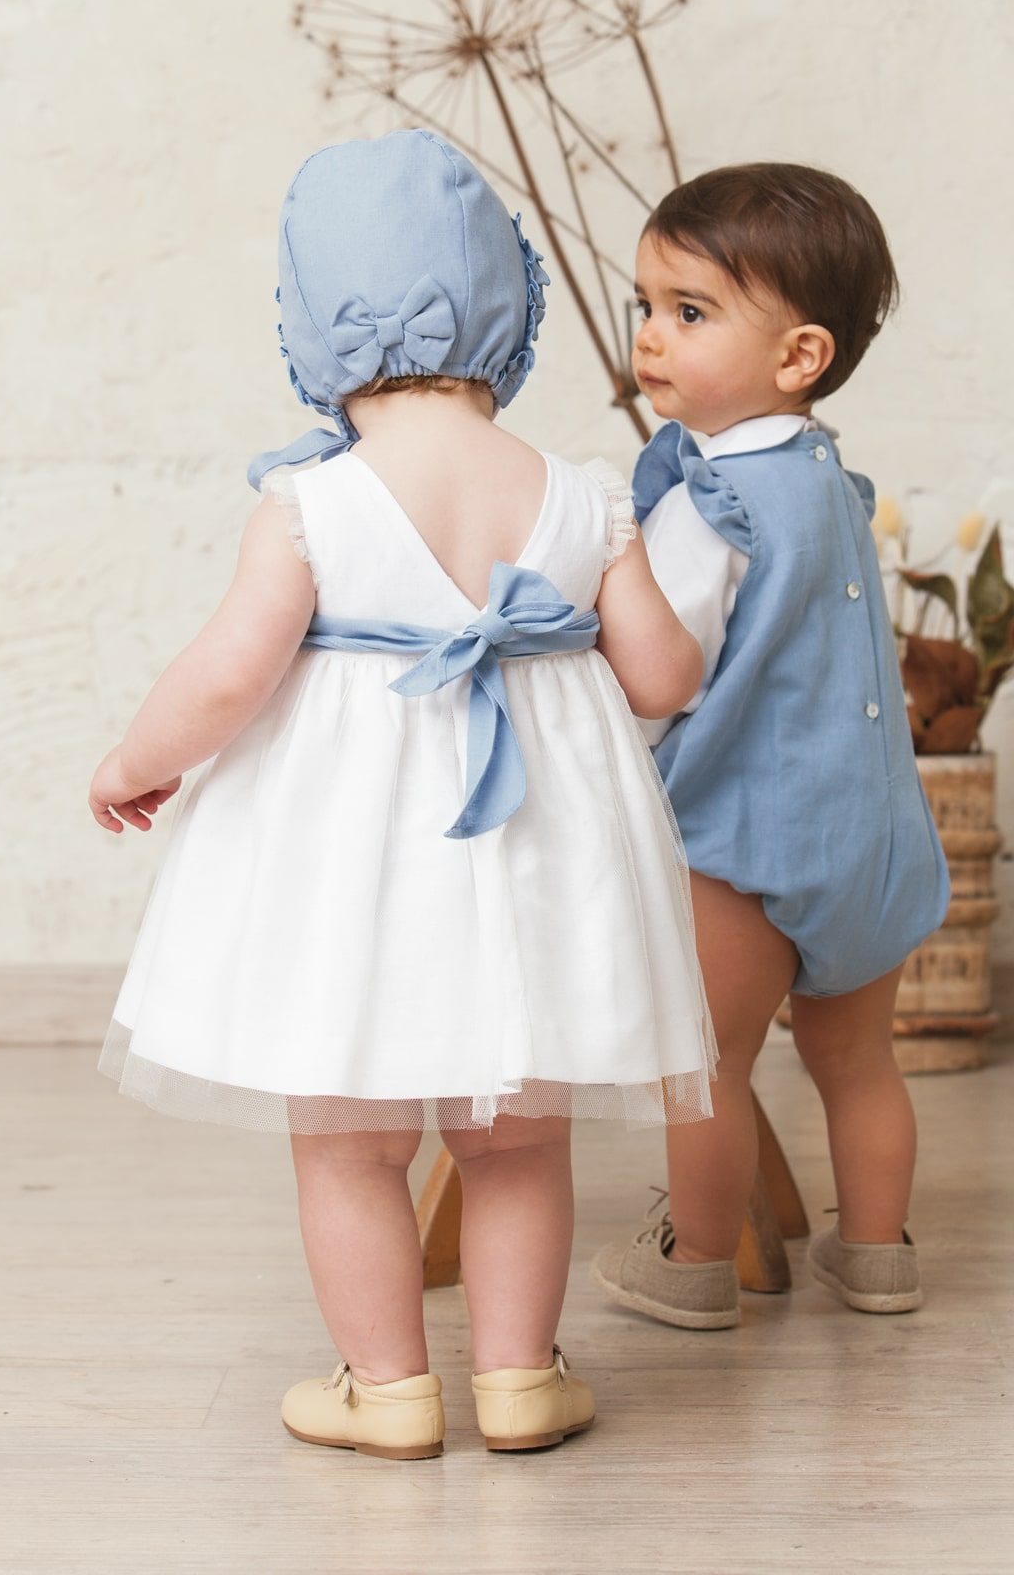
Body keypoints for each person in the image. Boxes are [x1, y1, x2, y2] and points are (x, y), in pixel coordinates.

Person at [88, 130, 716, 1458]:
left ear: (311, 320)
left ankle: (386, 1389)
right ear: (508, 305)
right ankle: (520, 1381)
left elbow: (224, 678)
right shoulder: (583, 494)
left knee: (350, 1146)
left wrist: (134, 761)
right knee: (516, 1144)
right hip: (537, 861)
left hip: (354, 869)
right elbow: (662, 680)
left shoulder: (312, 501)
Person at [592, 163, 949, 1329]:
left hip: (746, 840)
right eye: (646, 304)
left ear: (798, 355)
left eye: (687, 314)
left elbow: (663, 672)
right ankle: (880, 1255)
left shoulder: (709, 506)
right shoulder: (832, 484)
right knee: (858, 1066)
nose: (649, 338)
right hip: (875, 839)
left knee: (707, 1066)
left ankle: (694, 1263)